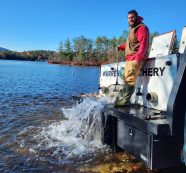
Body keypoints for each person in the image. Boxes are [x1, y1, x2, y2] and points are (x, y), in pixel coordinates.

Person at [115, 10, 149, 107]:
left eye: (132, 17)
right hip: (130, 59)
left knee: (129, 79)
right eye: (129, 18)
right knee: (126, 79)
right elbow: (130, 44)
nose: (130, 19)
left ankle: (124, 102)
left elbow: (144, 44)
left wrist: (137, 59)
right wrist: (121, 47)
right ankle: (124, 100)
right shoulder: (133, 29)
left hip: (136, 58)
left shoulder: (141, 28)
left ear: (137, 17)